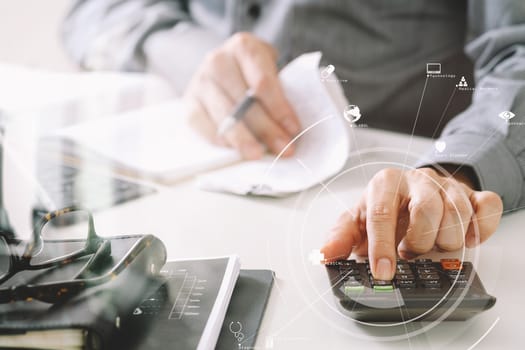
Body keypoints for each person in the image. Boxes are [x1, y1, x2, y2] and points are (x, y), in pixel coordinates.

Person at [62, 0, 525, 280]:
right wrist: (195, 57)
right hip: (188, 184)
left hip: (396, 187)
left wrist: (454, 169)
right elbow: (93, 11)